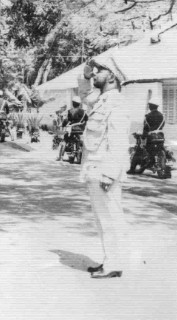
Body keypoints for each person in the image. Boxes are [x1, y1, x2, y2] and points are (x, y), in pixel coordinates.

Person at [79, 58, 133, 279]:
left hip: (104, 171)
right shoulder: (102, 99)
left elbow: (118, 142)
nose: (95, 73)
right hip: (95, 169)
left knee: (111, 218)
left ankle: (114, 263)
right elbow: (84, 96)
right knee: (103, 219)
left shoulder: (117, 103)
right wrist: (84, 76)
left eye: (100, 70)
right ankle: (109, 261)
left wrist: (110, 174)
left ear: (111, 76)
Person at [56, 96, 88, 161]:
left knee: (65, 138)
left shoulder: (70, 111)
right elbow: (86, 119)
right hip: (81, 130)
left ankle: (60, 156)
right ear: (79, 104)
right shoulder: (83, 112)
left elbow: (67, 120)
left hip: (72, 129)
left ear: (73, 103)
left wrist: (62, 125)